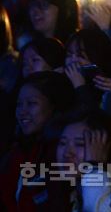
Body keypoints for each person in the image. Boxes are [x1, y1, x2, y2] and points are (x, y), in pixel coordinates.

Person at [0, 72, 75, 210]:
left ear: (55, 105)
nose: (22, 111)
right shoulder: (19, 150)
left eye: (31, 103)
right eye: (19, 104)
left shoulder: (63, 153)